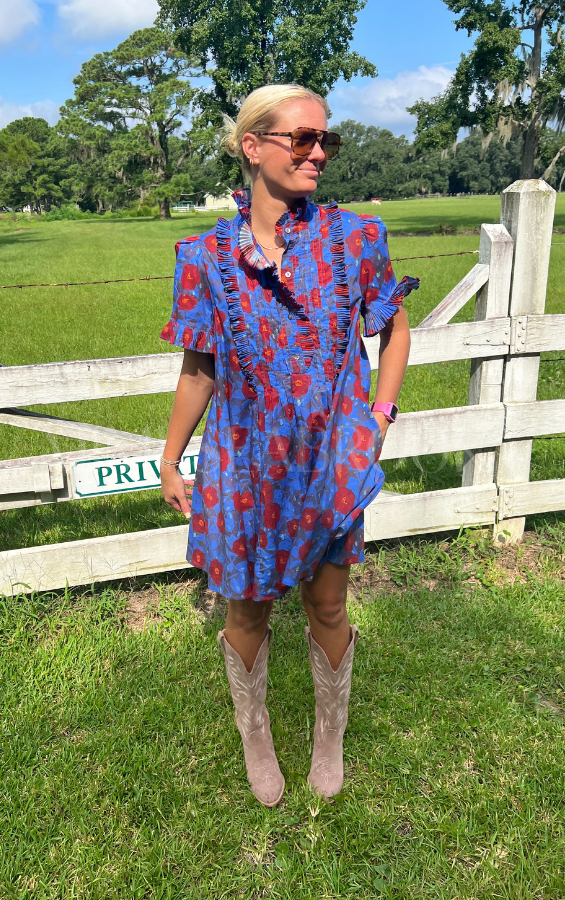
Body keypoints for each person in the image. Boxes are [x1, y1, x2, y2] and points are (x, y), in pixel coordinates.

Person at [160, 84, 418, 807]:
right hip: (244, 467)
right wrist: (172, 458)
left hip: (332, 461)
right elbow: (200, 366)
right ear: (252, 146)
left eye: (325, 140)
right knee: (247, 610)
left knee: (328, 605)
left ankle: (330, 734)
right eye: (302, 139)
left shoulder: (355, 239)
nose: (318, 153)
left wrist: (379, 417)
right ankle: (256, 732)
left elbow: (394, 328)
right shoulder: (205, 256)